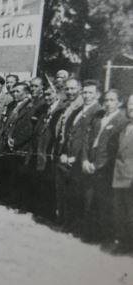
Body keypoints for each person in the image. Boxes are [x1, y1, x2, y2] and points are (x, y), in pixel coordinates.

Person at [82, 89, 127, 242]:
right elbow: (87, 141)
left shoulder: (122, 121)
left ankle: (102, 237)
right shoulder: (98, 117)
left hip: (105, 168)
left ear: (120, 103)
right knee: (88, 199)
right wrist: (85, 160)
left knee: (102, 202)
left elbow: (114, 149)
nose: (108, 104)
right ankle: (89, 233)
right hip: (89, 163)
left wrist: (98, 165)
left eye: (112, 100)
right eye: (106, 100)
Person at [56, 79, 101, 232]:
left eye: (90, 93)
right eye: (85, 92)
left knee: (77, 195)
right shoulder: (78, 110)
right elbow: (68, 133)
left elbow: (90, 139)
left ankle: (74, 226)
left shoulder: (97, 112)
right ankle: (65, 222)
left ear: (97, 95)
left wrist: (77, 157)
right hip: (67, 157)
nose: (87, 95)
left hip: (78, 159)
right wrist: (63, 152)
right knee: (67, 193)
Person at [30, 86, 65, 218]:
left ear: (57, 94)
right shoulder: (45, 109)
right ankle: (41, 210)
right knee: (41, 180)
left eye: (50, 95)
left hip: (50, 150)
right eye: (45, 95)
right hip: (40, 149)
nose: (47, 98)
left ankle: (49, 212)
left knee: (49, 181)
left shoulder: (61, 109)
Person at [0, 82, 34, 208]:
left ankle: (19, 201)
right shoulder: (12, 105)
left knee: (19, 174)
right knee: (10, 172)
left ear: (26, 92)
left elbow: (29, 127)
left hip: (20, 145)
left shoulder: (30, 105)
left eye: (18, 91)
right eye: (13, 91)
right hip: (8, 142)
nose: (14, 94)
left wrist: (16, 140)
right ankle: (10, 198)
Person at [111, 94, 133, 254]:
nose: (131, 107)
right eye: (130, 104)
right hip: (119, 175)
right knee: (121, 213)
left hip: (131, 178)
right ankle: (123, 242)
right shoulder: (125, 127)